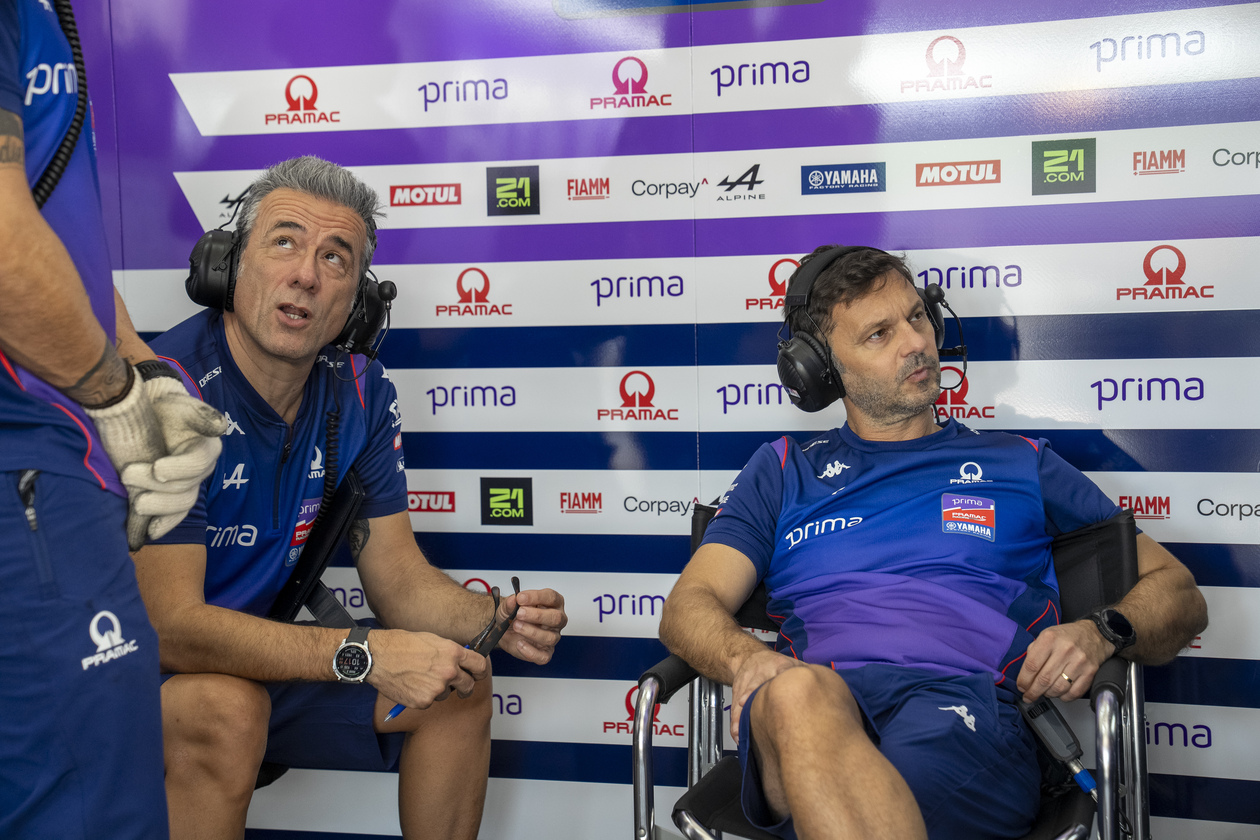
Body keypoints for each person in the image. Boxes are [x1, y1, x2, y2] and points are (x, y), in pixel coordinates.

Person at [659, 245, 1208, 840]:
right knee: (795, 694)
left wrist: (1100, 632)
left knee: (877, 788)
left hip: (962, 704)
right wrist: (747, 660)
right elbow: (689, 606)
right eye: (879, 334)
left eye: (918, 316)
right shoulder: (782, 470)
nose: (916, 342)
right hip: (806, 709)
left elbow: (1178, 593)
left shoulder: (1020, 463)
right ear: (821, 368)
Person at [135, 155, 568, 840]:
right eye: (284, 242)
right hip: (140, 679)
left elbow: (398, 579)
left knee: (460, 682)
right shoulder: (169, 394)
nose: (306, 274)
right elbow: (171, 629)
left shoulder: (360, 390)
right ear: (229, 266)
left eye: (334, 257)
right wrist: (363, 652)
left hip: (269, 662)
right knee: (227, 708)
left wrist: (492, 618)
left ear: (356, 305)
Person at [1, 2, 227, 837]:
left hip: (47, 458)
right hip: (26, 461)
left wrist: (139, 365)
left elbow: (47, 226)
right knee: (90, 808)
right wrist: (115, 397)